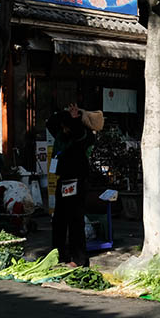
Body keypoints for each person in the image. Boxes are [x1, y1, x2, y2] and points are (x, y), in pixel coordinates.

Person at [46, 103, 96, 267]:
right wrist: (65, 113)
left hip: (77, 180)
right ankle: (59, 254)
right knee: (59, 219)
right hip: (64, 180)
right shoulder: (62, 136)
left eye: (66, 125)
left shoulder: (84, 135)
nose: (63, 128)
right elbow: (50, 123)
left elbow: (78, 133)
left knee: (75, 220)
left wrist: (75, 120)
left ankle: (79, 259)